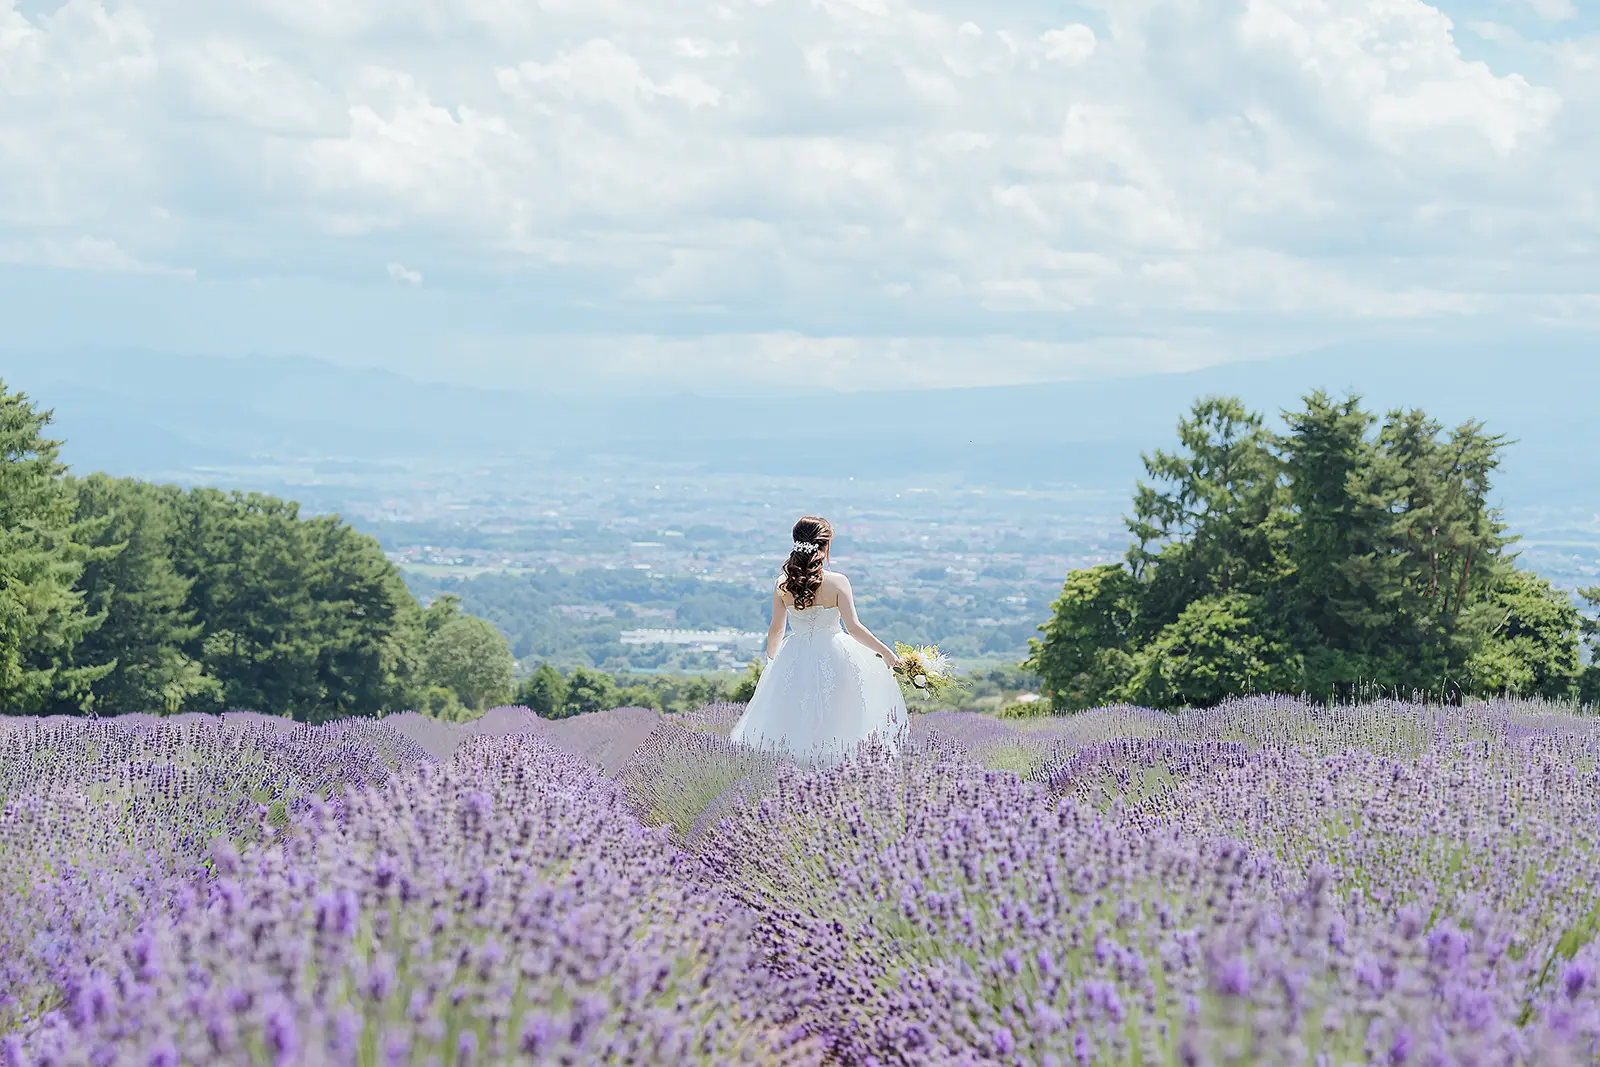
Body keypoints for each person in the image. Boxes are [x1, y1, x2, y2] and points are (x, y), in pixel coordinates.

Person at [729, 515, 909, 765]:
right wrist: (888, 655)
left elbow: (776, 630)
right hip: (836, 655)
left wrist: (773, 660)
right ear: (825, 546)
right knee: (840, 720)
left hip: (795, 654)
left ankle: (797, 775)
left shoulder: (783, 584)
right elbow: (854, 628)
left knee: (794, 721)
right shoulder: (837, 582)